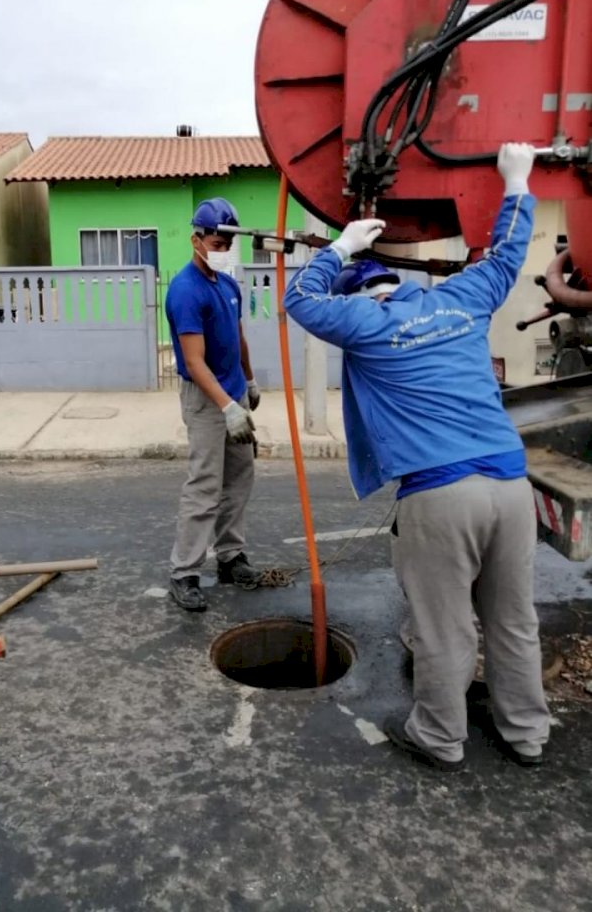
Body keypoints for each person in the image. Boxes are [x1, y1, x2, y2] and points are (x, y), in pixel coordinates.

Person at [284, 144, 550, 772]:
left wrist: (340, 245)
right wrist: (518, 180)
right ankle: (527, 733)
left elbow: (300, 300)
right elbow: (509, 252)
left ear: (361, 298)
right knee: (513, 619)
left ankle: (439, 736)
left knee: (444, 626)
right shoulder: (461, 298)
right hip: (512, 484)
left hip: (441, 492)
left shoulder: (366, 324)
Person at [165, 198, 262, 611]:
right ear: (196, 239)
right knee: (205, 485)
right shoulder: (185, 290)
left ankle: (230, 557)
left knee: (239, 478)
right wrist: (227, 407)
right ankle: (184, 571)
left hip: (233, 392)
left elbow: (238, 337)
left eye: (229, 245)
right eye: (218, 244)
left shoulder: (228, 285)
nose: (224, 251)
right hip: (208, 402)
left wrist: (250, 381)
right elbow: (193, 362)